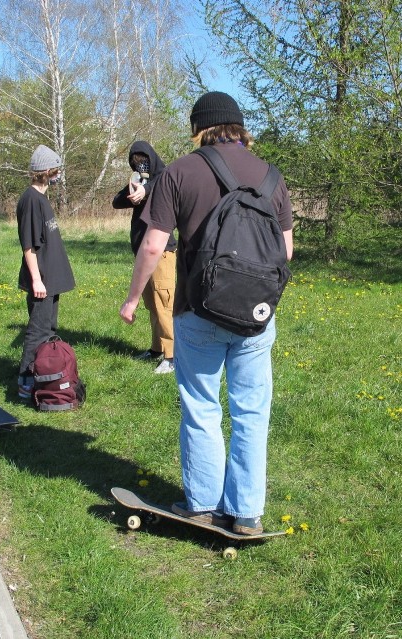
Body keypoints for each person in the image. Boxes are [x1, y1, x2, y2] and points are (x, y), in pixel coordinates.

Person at [119, 92, 294, 535]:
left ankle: (202, 505)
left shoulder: (180, 172)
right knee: (252, 412)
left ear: (200, 128)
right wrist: (260, 304)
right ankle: (247, 513)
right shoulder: (272, 176)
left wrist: (133, 298)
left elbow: (154, 244)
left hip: (197, 312)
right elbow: (285, 253)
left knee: (201, 408)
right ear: (238, 127)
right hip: (256, 316)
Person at [16, 145, 76, 399]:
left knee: (48, 329)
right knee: (37, 330)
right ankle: (25, 381)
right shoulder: (30, 200)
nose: (58, 175)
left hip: (51, 279)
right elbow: (28, 246)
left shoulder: (41, 198)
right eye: (57, 170)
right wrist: (37, 280)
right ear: (48, 171)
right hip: (42, 280)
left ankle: (44, 374)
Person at [112, 141, 177, 374]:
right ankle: (157, 348)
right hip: (143, 254)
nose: (140, 163)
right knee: (152, 304)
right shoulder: (139, 179)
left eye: (143, 159)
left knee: (164, 303)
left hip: (162, 252)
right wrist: (132, 190)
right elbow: (116, 201)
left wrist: (145, 190)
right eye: (135, 160)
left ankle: (172, 356)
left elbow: (157, 185)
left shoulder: (166, 177)